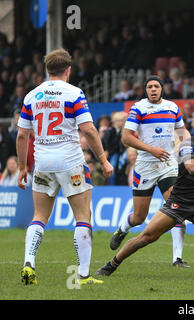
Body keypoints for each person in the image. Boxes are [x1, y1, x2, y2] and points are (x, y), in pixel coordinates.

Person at [94, 107, 194, 277]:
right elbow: (192, 167)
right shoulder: (188, 145)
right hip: (177, 204)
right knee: (146, 237)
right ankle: (111, 264)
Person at [17, 49, 114, 285]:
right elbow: (89, 130)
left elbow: (22, 135)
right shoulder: (74, 93)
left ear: (47, 70)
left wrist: (22, 168)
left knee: (39, 216)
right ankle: (82, 274)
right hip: (71, 163)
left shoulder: (32, 96)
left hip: (42, 163)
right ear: (68, 70)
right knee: (83, 217)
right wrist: (103, 159)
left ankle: (29, 262)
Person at [108, 76, 192, 268]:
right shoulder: (138, 108)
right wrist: (151, 149)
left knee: (176, 208)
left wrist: (187, 144)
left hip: (168, 164)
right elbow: (126, 138)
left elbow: (182, 131)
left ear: (162, 89)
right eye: (149, 87)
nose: (153, 89)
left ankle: (177, 258)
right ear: (146, 90)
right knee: (139, 217)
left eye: (156, 86)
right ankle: (122, 229)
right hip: (145, 166)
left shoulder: (172, 107)